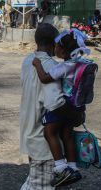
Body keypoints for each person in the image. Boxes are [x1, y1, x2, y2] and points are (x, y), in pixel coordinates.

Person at [20, 24, 84, 189]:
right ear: (53, 44)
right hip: (44, 143)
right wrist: (77, 115)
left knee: (34, 183)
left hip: (30, 135)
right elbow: (55, 103)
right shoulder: (51, 67)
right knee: (40, 186)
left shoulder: (28, 61)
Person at [32, 29, 92, 187]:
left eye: (57, 46)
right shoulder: (81, 63)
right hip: (76, 107)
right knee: (67, 135)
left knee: (49, 131)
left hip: (63, 105)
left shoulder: (65, 66)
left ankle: (61, 168)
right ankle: (73, 168)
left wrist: (38, 64)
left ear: (64, 50)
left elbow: (45, 78)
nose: (55, 48)